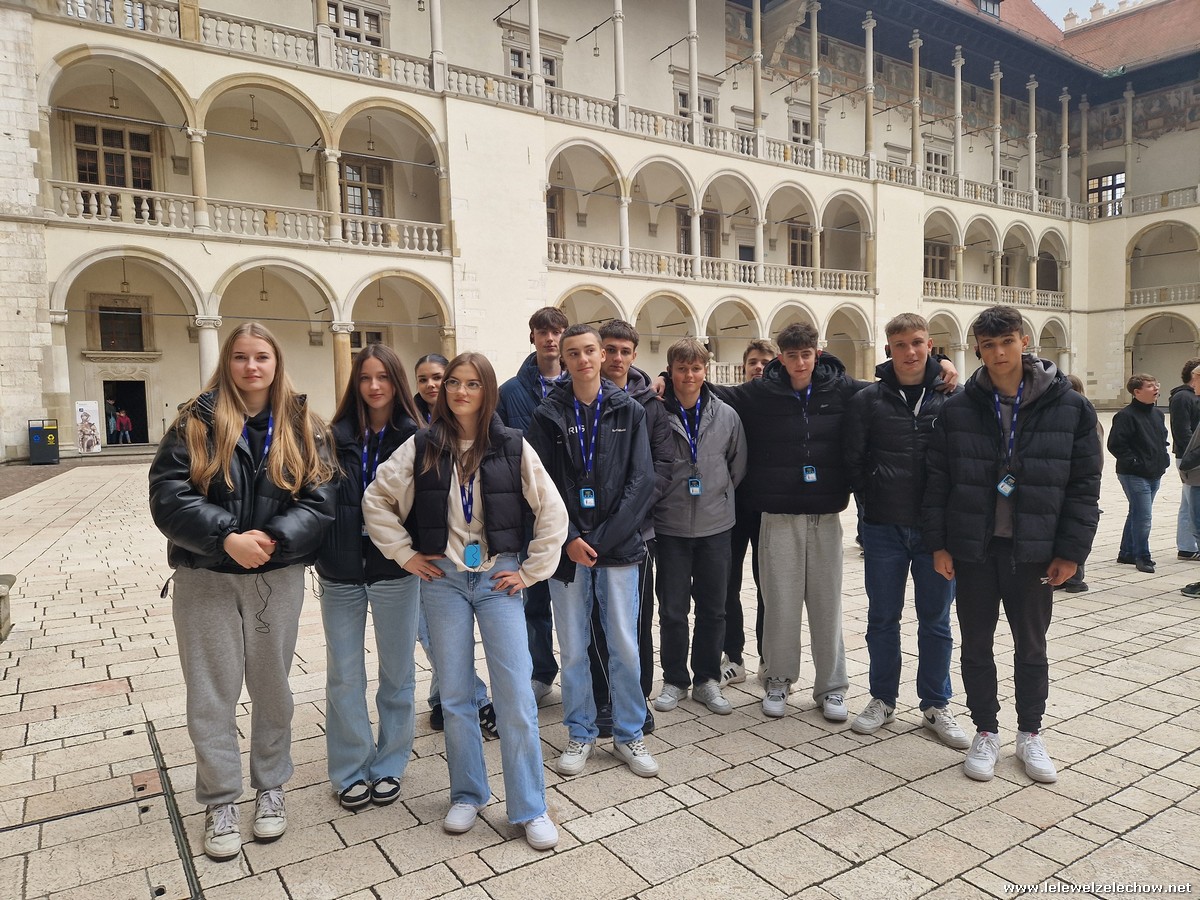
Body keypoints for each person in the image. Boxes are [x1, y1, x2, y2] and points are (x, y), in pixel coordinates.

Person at [363, 352, 568, 850]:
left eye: (472, 384)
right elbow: (376, 500)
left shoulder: (512, 444)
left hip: (498, 580)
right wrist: (405, 554)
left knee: (515, 693)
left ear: (487, 390)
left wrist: (530, 571)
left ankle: (530, 806)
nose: (460, 391)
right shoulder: (423, 445)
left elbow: (552, 510)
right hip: (444, 582)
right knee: (455, 695)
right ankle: (468, 794)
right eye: (454, 382)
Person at [148, 322, 336, 860]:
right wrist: (226, 537)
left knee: (273, 687)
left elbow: (322, 497)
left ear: (277, 363)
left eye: (261, 357)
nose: (252, 367)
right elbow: (167, 494)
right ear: (226, 363)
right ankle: (220, 799)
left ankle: (271, 787)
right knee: (212, 692)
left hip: (275, 576)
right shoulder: (194, 421)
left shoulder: (304, 425)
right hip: (206, 576)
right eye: (240, 357)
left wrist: (274, 538)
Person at [924, 305, 1101, 785]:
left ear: (1024, 341)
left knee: (1032, 646)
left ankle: (1030, 732)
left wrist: (1071, 552)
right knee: (976, 644)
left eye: (1007, 342)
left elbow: (1084, 485)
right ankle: (986, 730)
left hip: (1034, 549)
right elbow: (938, 481)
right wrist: (939, 544)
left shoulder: (1070, 406)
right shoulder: (959, 408)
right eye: (989, 345)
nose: (999, 353)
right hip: (975, 548)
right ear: (978, 349)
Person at [527, 324, 659, 778]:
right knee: (574, 646)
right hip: (567, 552)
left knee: (624, 644)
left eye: (589, 351)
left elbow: (642, 481)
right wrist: (568, 538)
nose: (583, 359)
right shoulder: (547, 415)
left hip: (617, 548)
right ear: (563, 360)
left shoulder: (629, 410)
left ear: (602, 356)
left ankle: (629, 732)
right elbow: (539, 484)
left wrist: (599, 541)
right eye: (573, 353)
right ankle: (580, 732)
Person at [844, 314, 969, 749]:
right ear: (888, 349)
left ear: (931, 345)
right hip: (883, 527)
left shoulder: (955, 397)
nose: (910, 352)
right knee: (882, 618)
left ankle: (936, 704)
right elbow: (853, 459)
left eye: (917, 342)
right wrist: (871, 500)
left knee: (936, 620)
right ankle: (882, 698)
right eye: (900, 344)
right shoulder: (868, 399)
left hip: (937, 532)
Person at [314, 345, 424, 811]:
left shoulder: (418, 437)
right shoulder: (330, 437)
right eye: (365, 378)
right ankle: (349, 768)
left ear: (397, 383)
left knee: (397, 674)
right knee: (344, 674)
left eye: (383, 377)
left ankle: (390, 763)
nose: (374, 386)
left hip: (394, 569)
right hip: (340, 570)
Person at [653, 338, 746, 717]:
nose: (689, 375)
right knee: (673, 610)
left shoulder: (726, 415)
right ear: (671, 371)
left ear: (705, 371)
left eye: (696, 368)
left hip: (715, 527)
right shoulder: (656, 414)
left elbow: (736, 465)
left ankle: (707, 678)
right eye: (681, 369)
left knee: (713, 608)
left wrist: (716, 496)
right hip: (670, 527)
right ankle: (675, 679)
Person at [593, 319, 672, 736]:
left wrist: (628, 515)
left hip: (637, 534)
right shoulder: (581, 400)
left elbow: (662, 467)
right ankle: (603, 700)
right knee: (594, 622)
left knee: (637, 622)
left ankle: (637, 701)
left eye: (625, 351)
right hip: (590, 535)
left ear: (634, 356)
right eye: (609, 349)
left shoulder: (651, 405)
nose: (616, 358)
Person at [413, 352, 497, 736]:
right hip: (433, 557)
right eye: (424, 379)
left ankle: (446, 696)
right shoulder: (415, 432)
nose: (432, 384)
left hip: (482, 560)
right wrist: (405, 551)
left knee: (446, 636)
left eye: (438, 376)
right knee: (434, 635)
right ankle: (465, 698)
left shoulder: (486, 429)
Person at [497, 306, 569, 704]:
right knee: (534, 599)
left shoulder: (579, 383)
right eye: (543, 331)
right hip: (527, 511)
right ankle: (541, 673)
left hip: (572, 509)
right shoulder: (510, 392)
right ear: (533, 337)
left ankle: (582, 673)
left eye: (556, 331)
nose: (550, 338)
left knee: (575, 601)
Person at [721, 338, 777, 686]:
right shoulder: (734, 399)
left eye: (766, 362)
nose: (759, 367)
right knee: (728, 584)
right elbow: (697, 384)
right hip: (733, 508)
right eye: (754, 361)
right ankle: (733, 657)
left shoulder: (784, 399)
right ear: (744, 367)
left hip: (769, 509)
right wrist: (665, 377)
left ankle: (768, 658)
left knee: (767, 587)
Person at [1108, 374, 1169, 574]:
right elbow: (1115, 445)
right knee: (1144, 516)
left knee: (1137, 512)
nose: (1156, 388)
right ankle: (1142, 556)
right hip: (1133, 474)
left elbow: (1162, 439)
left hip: (1154, 472)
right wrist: (1134, 462)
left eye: (1156, 384)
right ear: (1137, 392)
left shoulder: (1158, 414)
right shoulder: (1126, 416)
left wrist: (1164, 458)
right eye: (1150, 386)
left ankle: (1127, 552)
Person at [1168, 358, 1200, 561]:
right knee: (1190, 504)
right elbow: (1182, 431)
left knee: (1189, 503)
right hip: (1189, 459)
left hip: (1194, 457)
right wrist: (1192, 456)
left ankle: (1188, 545)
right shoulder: (1182, 397)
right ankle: (1187, 547)